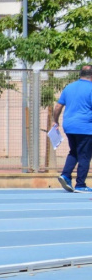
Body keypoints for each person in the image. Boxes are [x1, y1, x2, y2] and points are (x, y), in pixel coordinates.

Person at [51, 64, 92, 193]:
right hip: (85, 127)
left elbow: (58, 106)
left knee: (74, 152)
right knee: (84, 155)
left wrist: (55, 121)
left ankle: (65, 175)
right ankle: (80, 184)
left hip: (69, 126)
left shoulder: (69, 87)